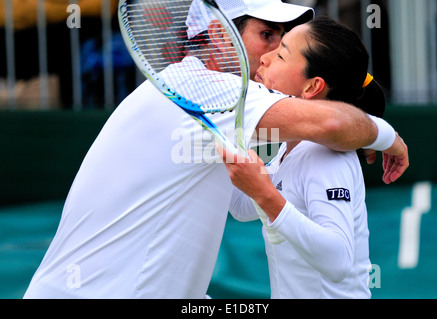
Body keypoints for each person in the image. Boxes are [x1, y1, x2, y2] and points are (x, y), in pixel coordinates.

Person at [23, 1, 407, 299]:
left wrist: (264, 190)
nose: (272, 52)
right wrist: (390, 138)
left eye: (283, 41)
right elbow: (334, 125)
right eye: (268, 35)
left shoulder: (206, 102)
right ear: (222, 37)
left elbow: (244, 205)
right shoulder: (211, 92)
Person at [219, 16, 408, 299]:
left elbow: (339, 260)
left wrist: (268, 198)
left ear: (311, 87)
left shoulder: (326, 158)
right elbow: (242, 206)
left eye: (281, 54)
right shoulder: (291, 147)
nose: (266, 58)